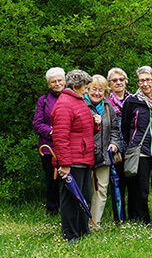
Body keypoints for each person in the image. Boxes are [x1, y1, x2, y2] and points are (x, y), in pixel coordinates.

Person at [121, 66, 152, 226]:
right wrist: (134, 142)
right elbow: (125, 128)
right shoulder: (131, 101)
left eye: (148, 80)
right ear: (138, 82)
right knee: (141, 190)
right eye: (142, 80)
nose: (145, 83)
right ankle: (143, 221)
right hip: (140, 150)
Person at [51, 69, 95, 241]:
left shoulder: (78, 101)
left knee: (84, 197)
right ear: (76, 86)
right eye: (85, 87)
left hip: (84, 157)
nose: (87, 90)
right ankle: (70, 234)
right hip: (73, 161)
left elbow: (82, 129)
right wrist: (65, 164)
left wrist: (95, 124)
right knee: (71, 199)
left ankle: (83, 231)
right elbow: (60, 137)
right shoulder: (64, 104)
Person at [85, 75, 120, 225]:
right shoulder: (81, 104)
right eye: (94, 89)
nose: (97, 93)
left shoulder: (108, 106)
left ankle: (95, 223)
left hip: (104, 156)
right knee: (85, 189)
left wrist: (114, 144)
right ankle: (83, 221)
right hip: (84, 156)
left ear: (105, 92)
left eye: (100, 90)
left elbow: (115, 130)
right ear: (87, 90)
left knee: (101, 190)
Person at [33, 67, 65, 216]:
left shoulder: (73, 97)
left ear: (65, 81)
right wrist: (52, 131)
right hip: (49, 148)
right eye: (54, 81)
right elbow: (37, 124)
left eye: (60, 80)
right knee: (51, 180)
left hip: (68, 147)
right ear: (48, 84)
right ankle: (52, 210)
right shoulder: (43, 100)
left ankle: (67, 210)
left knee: (68, 180)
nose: (57, 83)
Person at [106, 67, 134, 221]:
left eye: (121, 79)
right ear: (109, 84)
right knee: (118, 184)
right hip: (115, 148)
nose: (118, 82)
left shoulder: (134, 99)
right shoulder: (105, 102)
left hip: (132, 148)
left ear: (126, 81)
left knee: (134, 183)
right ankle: (119, 218)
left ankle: (135, 216)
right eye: (114, 80)